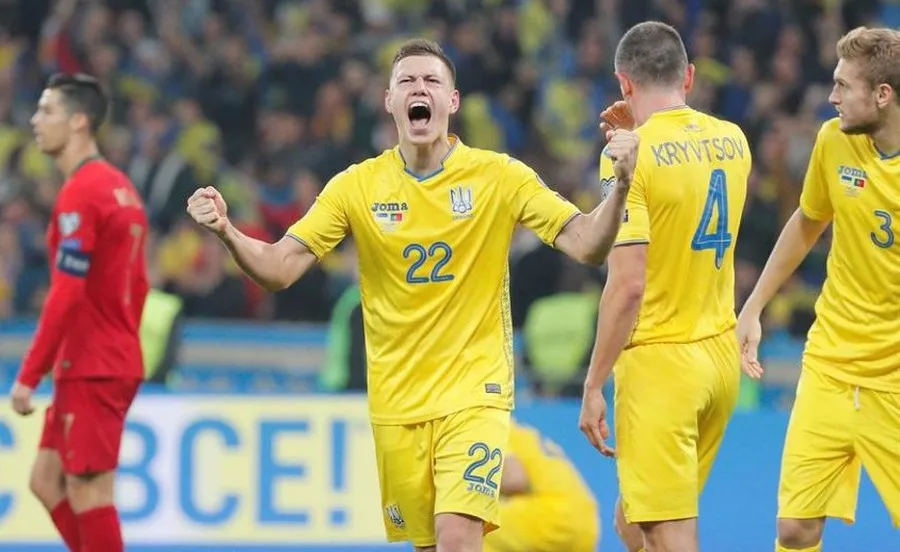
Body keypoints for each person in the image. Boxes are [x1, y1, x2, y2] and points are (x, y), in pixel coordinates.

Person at [188, 37, 639, 552]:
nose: (418, 88)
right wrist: (227, 230)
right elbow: (279, 269)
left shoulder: (499, 176)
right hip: (396, 404)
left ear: (453, 101)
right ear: (388, 101)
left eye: (431, 81)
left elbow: (585, 244)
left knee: (457, 536)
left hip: (475, 394)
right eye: (407, 81)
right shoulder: (355, 187)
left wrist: (619, 186)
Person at [578, 21, 751, 552]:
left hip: (661, 364)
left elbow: (628, 284)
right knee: (633, 525)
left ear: (623, 83)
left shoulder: (627, 157)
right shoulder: (733, 139)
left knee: (670, 535)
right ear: (690, 76)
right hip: (718, 357)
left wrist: (593, 383)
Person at [737, 26, 900, 552]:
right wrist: (754, 306)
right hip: (829, 362)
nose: (830, 98)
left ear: (882, 94)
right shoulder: (834, 141)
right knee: (795, 527)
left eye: (842, 86)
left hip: (894, 378)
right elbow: (808, 221)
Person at [10, 73, 149, 552]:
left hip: (93, 365)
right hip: (102, 358)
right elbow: (139, 285)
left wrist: (29, 374)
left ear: (78, 121)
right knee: (46, 482)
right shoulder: (121, 189)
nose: (35, 121)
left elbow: (66, 293)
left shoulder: (82, 192)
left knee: (90, 490)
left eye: (46, 111)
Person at [483, 419, 600, 552]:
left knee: (466, 521)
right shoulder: (516, 427)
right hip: (586, 522)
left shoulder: (485, 420)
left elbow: (514, 480)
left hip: (550, 515)